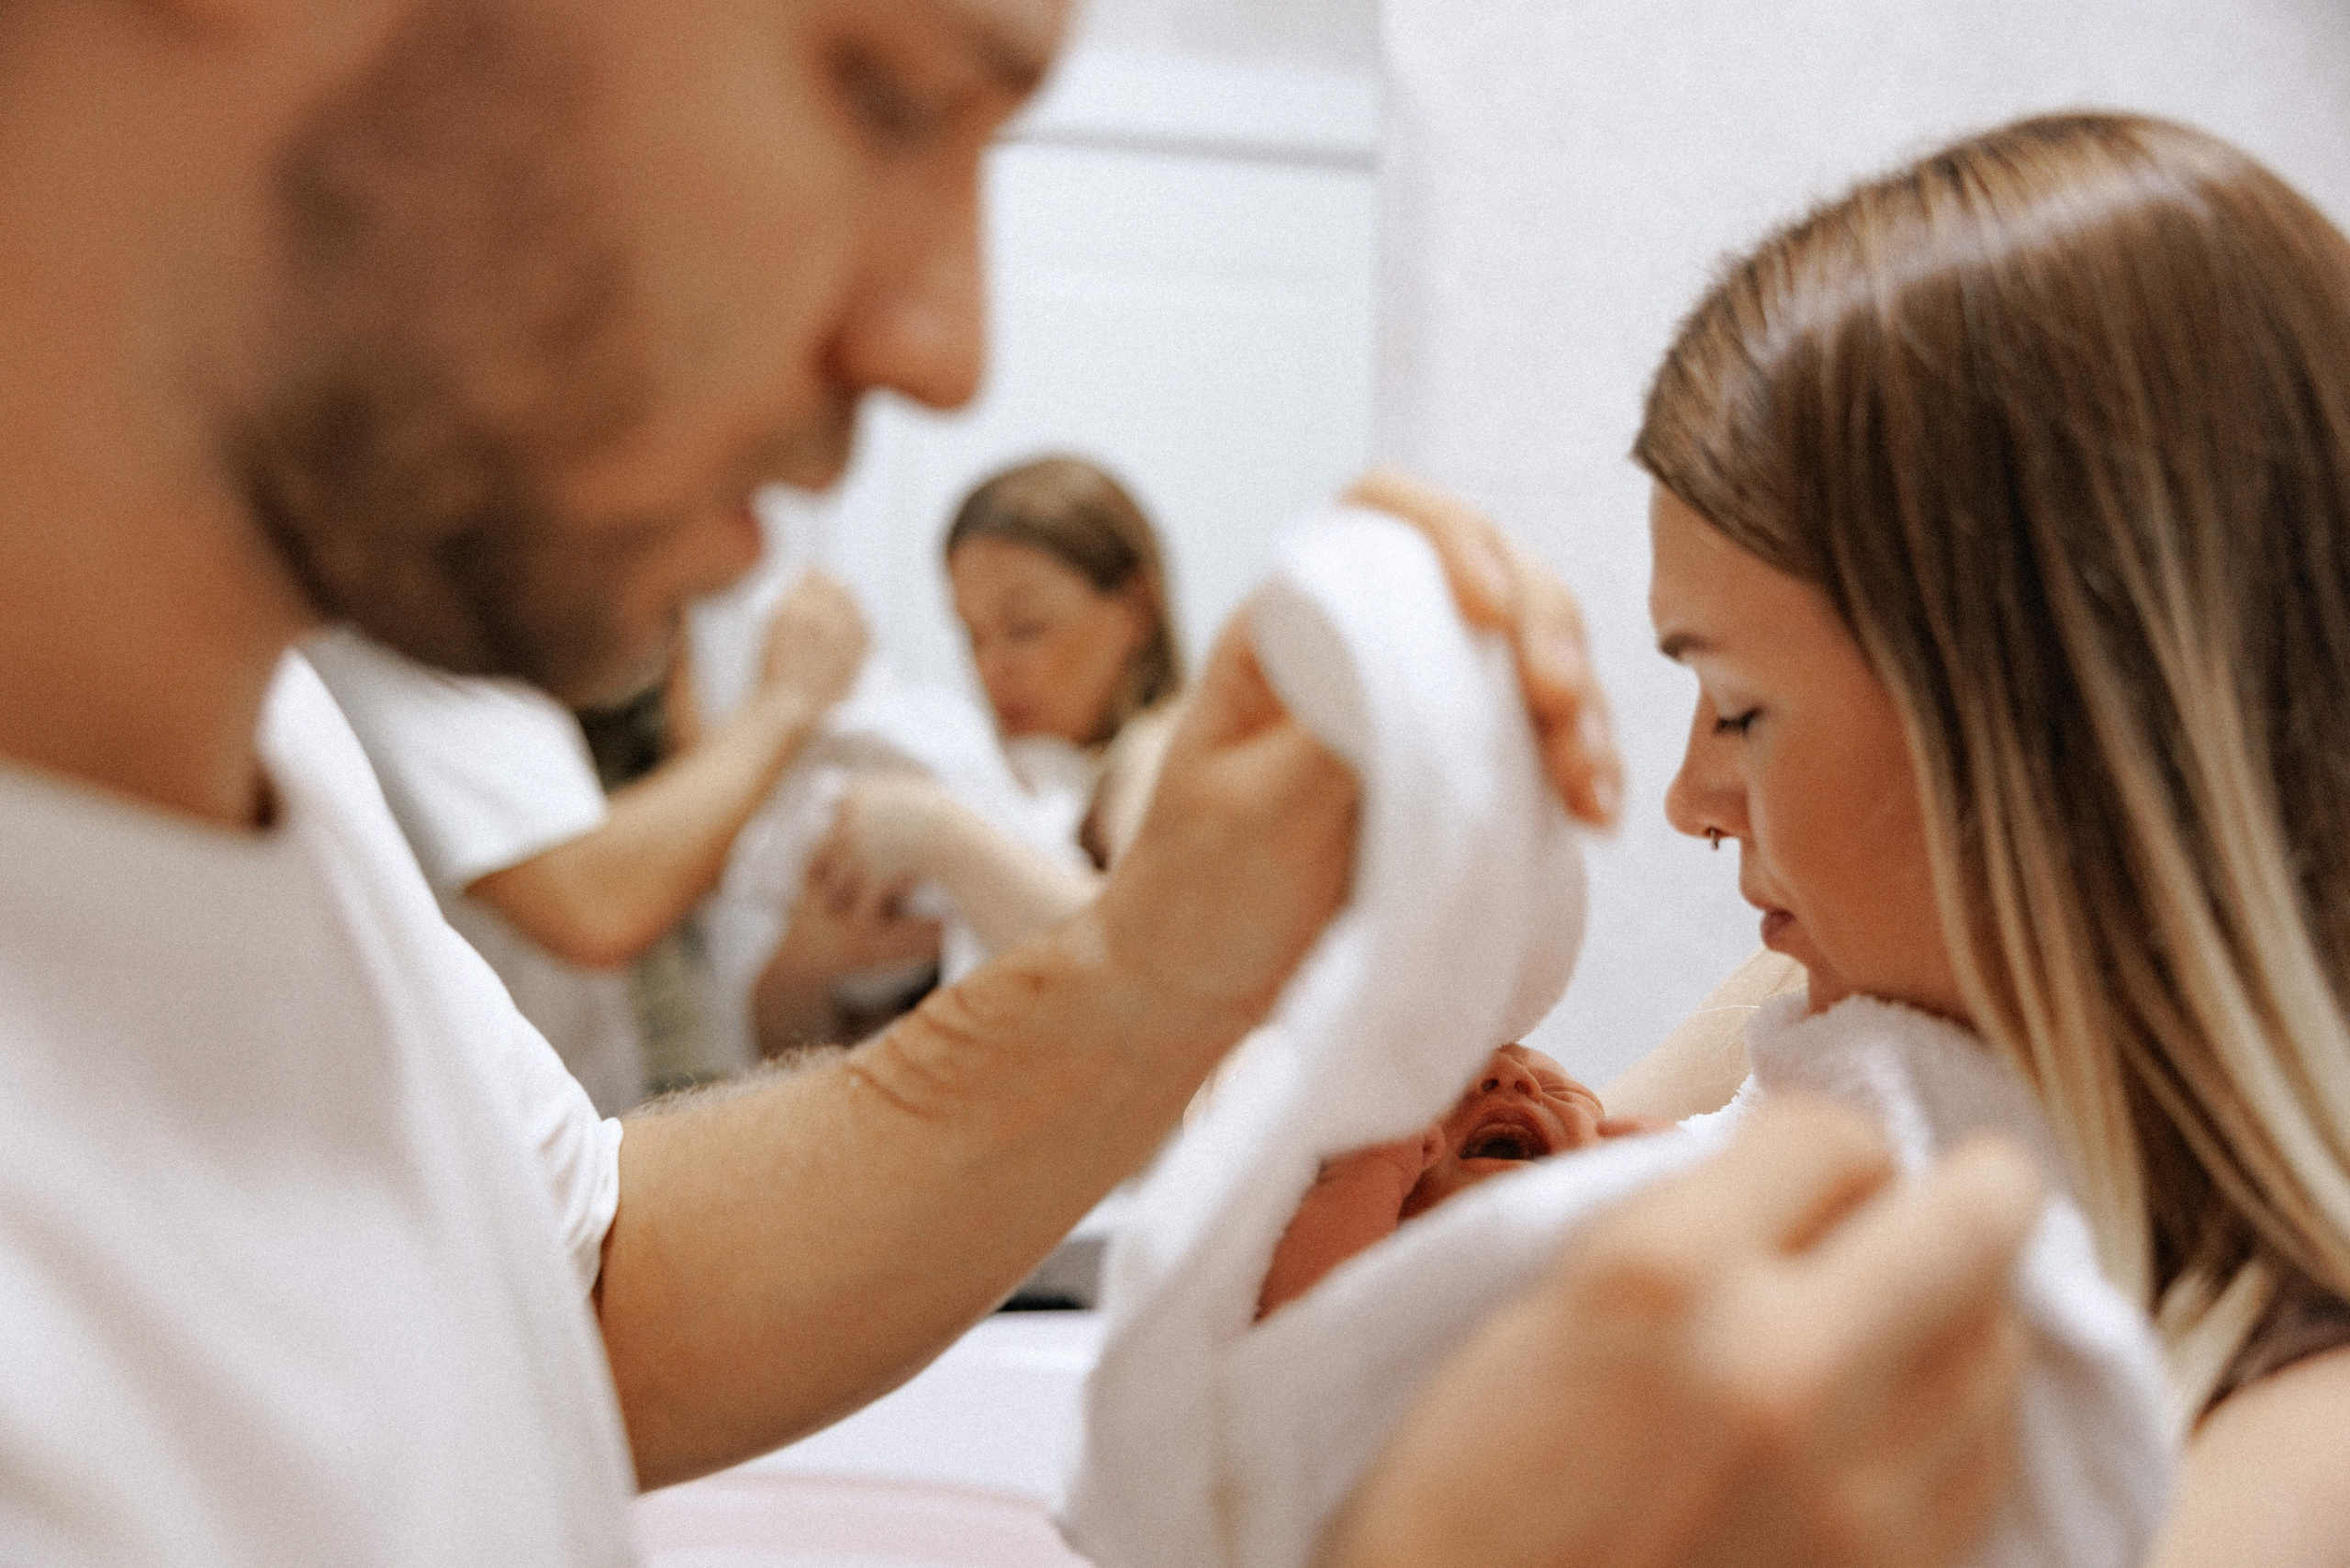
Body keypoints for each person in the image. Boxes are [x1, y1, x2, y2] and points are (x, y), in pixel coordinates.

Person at [0, 4, 2042, 1566]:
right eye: (883, 90)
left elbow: (584, 1284)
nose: (949, 346)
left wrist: (1163, 962)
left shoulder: (253, 758)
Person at [1614, 112, 2350, 1564]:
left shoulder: (2296, 1469)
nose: (1688, 800)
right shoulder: (1848, 1043)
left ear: (2057, 737)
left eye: (1742, 711)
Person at [306, 567, 869, 1108]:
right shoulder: (395, 660)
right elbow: (595, 899)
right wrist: (784, 705)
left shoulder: (523, 656)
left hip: (590, 1093)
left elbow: (687, 848)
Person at [760, 456, 1188, 1050]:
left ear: (1135, 609)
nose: (992, 667)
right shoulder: (997, 775)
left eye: (1024, 628)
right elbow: (782, 1043)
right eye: (971, 633)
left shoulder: (1158, 746)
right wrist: (811, 957)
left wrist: (933, 831)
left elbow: (1141, 951)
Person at [1258, 1043, 1651, 1318]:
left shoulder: (1618, 1239)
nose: (1510, 1075)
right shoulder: (1379, 1252)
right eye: (1437, 1088)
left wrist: (1683, 1188)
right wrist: (1368, 1169)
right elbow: (1300, 1342)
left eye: (1556, 1090)